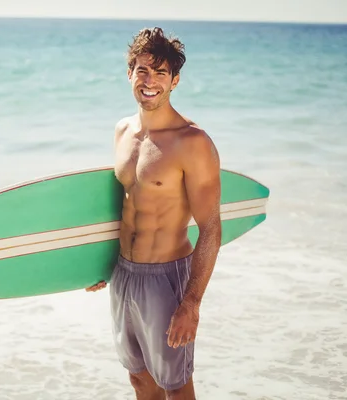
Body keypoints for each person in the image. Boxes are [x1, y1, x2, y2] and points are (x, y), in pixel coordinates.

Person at [86, 27, 222, 400]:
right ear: (128, 74)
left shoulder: (192, 143)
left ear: (175, 81)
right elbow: (123, 208)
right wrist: (96, 264)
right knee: (138, 378)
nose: (150, 82)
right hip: (123, 274)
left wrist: (192, 303)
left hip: (167, 279)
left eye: (160, 73)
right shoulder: (122, 131)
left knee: (175, 386)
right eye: (142, 71)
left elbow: (210, 228)